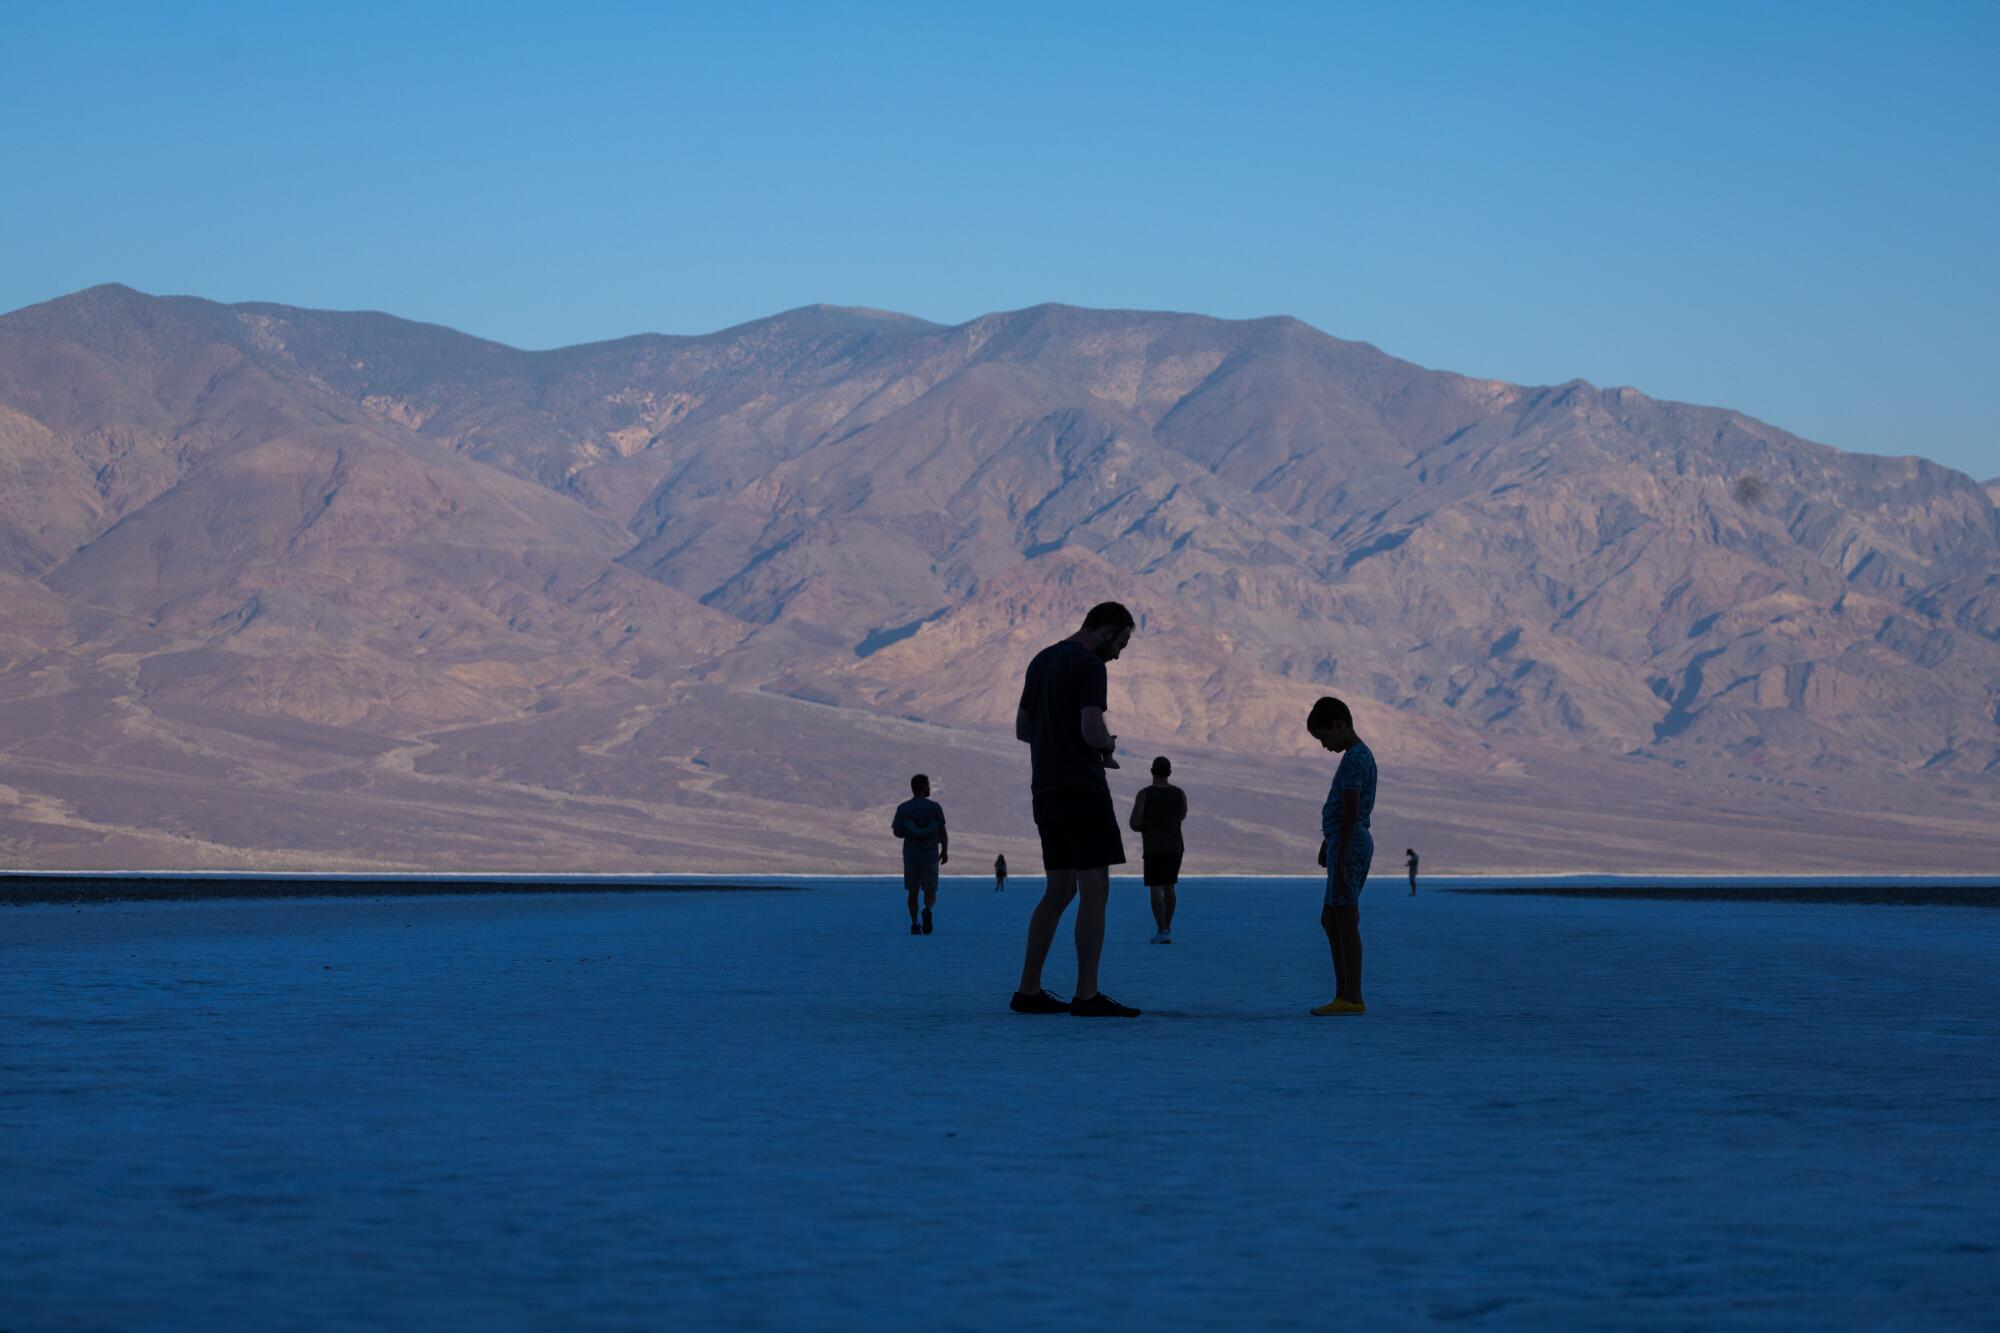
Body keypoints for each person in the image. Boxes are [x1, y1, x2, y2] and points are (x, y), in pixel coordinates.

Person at [1009, 601, 1141, 1018]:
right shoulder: (1089, 665)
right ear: (1106, 631)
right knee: (1095, 890)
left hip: (1045, 790)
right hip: (1082, 790)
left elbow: (1023, 729)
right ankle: (1086, 994)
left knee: (1059, 889)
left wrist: (1056, 741)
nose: (1118, 654)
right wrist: (1105, 745)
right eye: (1120, 643)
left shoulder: (1041, 660)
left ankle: (1028, 990)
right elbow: (1091, 727)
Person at [1307, 697, 1374, 1015]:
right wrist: (1329, 843)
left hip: (1350, 845)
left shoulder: (1355, 760)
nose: (1324, 746)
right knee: (1332, 918)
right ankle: (1344, 994)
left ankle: (1351, 996)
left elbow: (1350, 812)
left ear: (1339, 725)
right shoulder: (1356, 756)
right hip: (1342, 843)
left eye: (1324, 738)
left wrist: (1342, 855)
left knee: (1344, 919)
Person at [1130, 756, 1187, 943]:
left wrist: (1147, 826)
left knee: (1156, 889)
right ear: (1169, 773)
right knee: (1170, 887)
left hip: (1154, 848)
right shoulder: (1179, 794)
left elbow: (1135, 822)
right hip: (1175, 847)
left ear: (1152, 771)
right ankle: (1167, 927)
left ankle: (1161, 929)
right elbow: (1182, 815)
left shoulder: (1144, 794)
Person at [891, 773, 947, 935]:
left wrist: (911, 832)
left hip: (911, 856)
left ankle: (915, 924)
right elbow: (943, 832)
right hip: (930, 856)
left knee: (912, 892)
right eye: (928, 786)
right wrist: (945, 850)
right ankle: (927, 909)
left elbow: (898, 832)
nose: (929, 788)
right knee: (930, 891)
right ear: (924, 788)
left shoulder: (903, 808)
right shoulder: (935, 808)